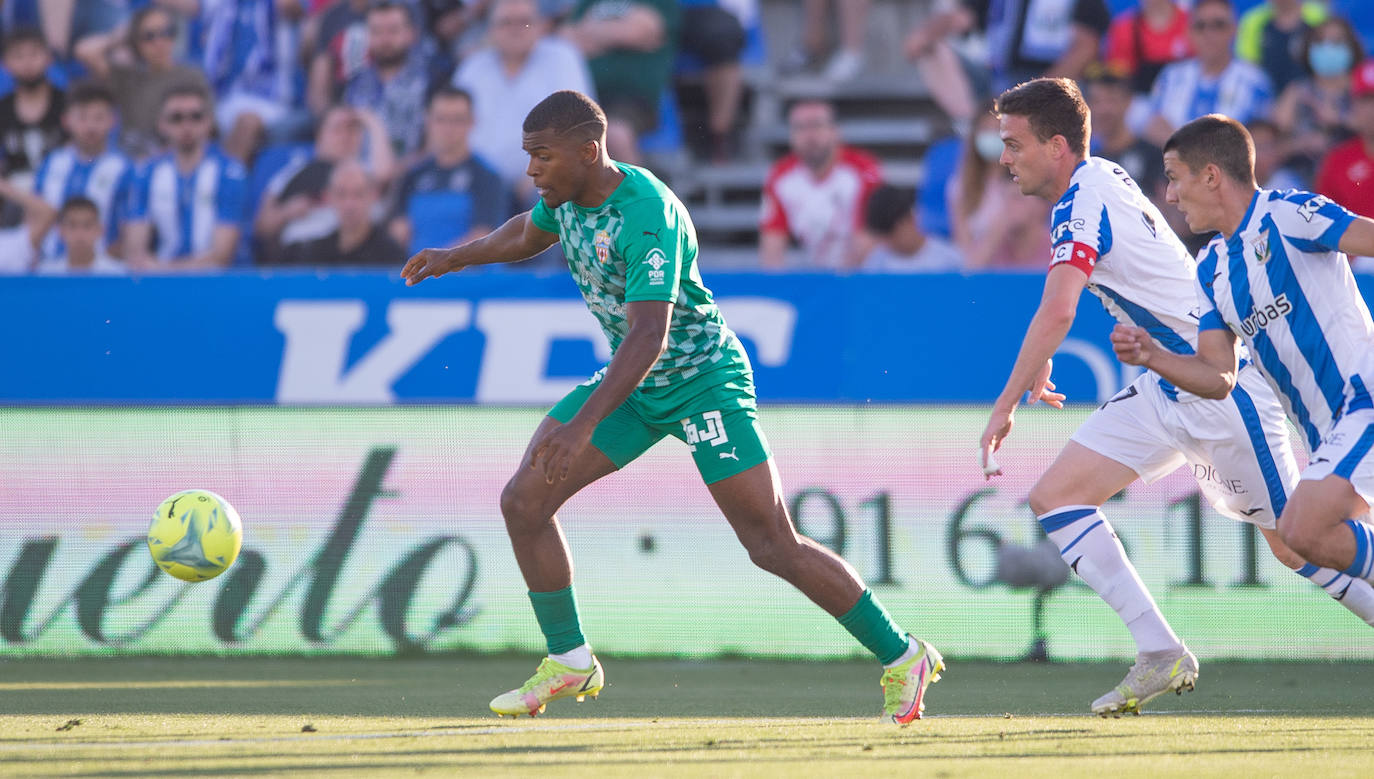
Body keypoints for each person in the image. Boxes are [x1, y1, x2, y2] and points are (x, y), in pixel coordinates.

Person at [401, 90, 944, 724]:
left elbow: (648, 335)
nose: (531, 170)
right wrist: (456, 256)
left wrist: (583, 425)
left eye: (542, 156)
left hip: (701, 381)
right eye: (529, 156)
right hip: (635, 386)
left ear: (588, 151)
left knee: (770, 542)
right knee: (524, 500)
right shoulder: (564, 197)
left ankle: (903, 654)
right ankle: (570, 658)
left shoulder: (647, 213)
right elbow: (526, 232)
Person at [979, 78, 1374, 717]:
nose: (1004, 158)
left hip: (1218, 393)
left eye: (1014, 144)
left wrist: (1005, 402)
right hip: (1167, 381)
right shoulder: (1106, 186)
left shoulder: (1085, 198)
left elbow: (1059, 307)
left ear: (1056, 146)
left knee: (1295, 542)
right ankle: (1160, 651)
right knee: (1056, 497)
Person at [1113, 113, 1374, 608]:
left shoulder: (1289, 213)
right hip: (1324, 433)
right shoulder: (1211, 268)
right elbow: (1218, 377)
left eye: (1174, 177)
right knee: (1313, 536)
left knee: (1301, 529)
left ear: (1211, 176)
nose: (1169, 195)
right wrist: (1153, 356)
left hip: (1364, 400)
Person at [452, 0, 594, 203]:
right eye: (506, 23)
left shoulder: (562, 58)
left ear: (541, 25)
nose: (515, 29)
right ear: (490, 29)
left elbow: (579, 125)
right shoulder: (473, 67)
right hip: (478, 180)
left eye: (524, 22)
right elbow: (452, 123)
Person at [123, 84, 247, 272]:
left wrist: (163, 269)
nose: (187, 126)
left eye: (195, 117)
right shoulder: (147, 173)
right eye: (176, 118)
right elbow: (135, 250)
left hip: (215, 282)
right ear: (161, 124)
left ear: (209, 122)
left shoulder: (229, 173)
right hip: (160, 280)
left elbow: (222, 256)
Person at [253, 104, 396, 261]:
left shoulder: (365, 171)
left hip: (359, 254)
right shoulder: (293, 173)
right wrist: (286, 212)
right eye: (337, 129)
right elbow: (263, 227)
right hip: (302, 256)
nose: (345, 137)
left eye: (352, 130)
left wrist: (373, 123)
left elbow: (384, 175)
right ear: (320, 136)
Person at [758, 99, 882, 269]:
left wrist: (840, 279)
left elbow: (871, 236)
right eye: (800, 128)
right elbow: (772, 245)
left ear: (836, 131)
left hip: (865, 272)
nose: (810, 136)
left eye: (817, 125)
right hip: (817, 270)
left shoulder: (863, 170)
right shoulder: (780, 177)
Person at [389, 87, 507, 256]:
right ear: (427, 121)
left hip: (466, 270)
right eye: (441, 119)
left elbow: (484, 237)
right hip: (416, 269)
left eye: (457, 120)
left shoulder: (487, 177)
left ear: (472, 122)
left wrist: (438, 261)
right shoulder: (413, 176)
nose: (448, 128)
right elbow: (397, 231)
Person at [562, 0, 679, 165]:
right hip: (583, 95)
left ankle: (636, 182)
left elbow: (640, 31)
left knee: (616, 135)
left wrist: (591, 34)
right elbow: (565, 37)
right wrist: (618, 34)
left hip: (631, 98)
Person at [90, 6, 214, 161]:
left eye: (166, 32)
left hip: (176, 159)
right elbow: (87, 52)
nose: (159, 42)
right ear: (136, 42)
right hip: (133, 158)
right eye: (149, 36)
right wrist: (120, 37)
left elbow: (208, 125)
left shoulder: (192, 76)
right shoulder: (128, 77)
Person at [1142, 0, 1272, 148]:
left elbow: (1262, 138)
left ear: (1234, 29)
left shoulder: (1254, 81)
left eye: (1219, 25)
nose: (1209, 34)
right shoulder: (1170, 77)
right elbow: (1151, 126)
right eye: (1200, 26)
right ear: (1189, 32)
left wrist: (1184, 147)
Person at [33, 81, 135, 258]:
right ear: (66, 120)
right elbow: (33, 218)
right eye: (82, 118)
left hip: (104, 268)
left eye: (99, 118)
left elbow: (130, 231)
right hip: (49, 266)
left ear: (113, 121)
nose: (90, 126)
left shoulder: (124, 169)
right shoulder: (51, 163)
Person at [948, 107, 1050, 270]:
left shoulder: (1029, 180)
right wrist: (1000, 227)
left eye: (997, 129)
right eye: (985, 129)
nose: (991, 135)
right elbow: (967, 256)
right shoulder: (961, 186)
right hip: (985, 267)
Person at [1272, 16, 1363, 179]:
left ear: (1351, 48)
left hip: (1355, 178)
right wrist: (1303, 143)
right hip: (1303, 182)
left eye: (1337, 41)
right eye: (1320, 41)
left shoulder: (1364, 90)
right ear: (1309, 48)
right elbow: (1270, 146)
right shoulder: (1296, 92)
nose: (1328, 48)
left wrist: (1338, 119)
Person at [342, 1, 435, 156]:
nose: (385, 40)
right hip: (359, 167)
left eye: (393, 31)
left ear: (411, 34)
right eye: (377, 31)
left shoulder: (432, 79)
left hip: (414, 168)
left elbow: (436, 145)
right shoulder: (356, 81)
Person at [274, 161, 406, 267]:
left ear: (373, 196)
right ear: (328, 197)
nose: (349, 204)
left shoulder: (391, 256)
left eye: (358, 194)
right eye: (341, 194)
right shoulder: (314, 253)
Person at [0, 27, 66, 224]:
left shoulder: (67, 104)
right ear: (5, 64)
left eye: (34, 54)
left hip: (62, 189)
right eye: (18, 56)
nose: (27, 63)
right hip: (15, 197)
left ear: (49, 58)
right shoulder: (2, 109)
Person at [1314, 59, 1374, 222]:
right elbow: (1323, 222)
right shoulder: (1337, 161)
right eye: (1366, 100)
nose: (1372, 109)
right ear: (1353, 105)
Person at [858, 183, 963, 272]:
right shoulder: (876, 263)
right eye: (885, 238)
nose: (889, 244)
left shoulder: (950, 261)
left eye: (892, 235)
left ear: (909, 220)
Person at [1235, 0, 1327, 94]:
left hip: (1312, 94)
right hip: (1267, 95)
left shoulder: (1318, 16)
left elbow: (1328, 64)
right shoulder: (1253, 21)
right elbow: (1248, 66)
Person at [37, 195, 125, 274]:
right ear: (61, 231)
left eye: (87, 226)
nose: (80, 234)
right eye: (72, 225)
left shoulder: (117, 273)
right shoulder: (46, 273)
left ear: (100, 230)